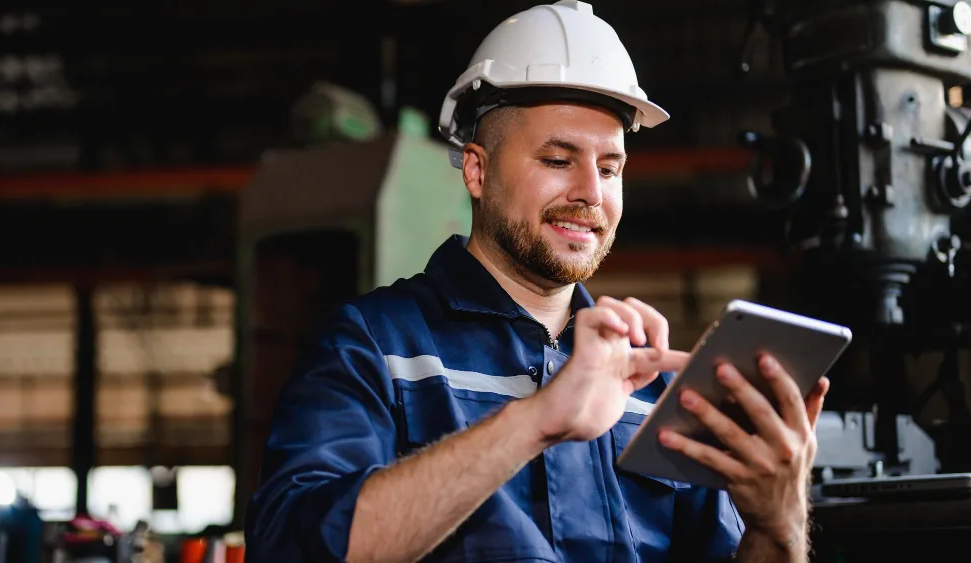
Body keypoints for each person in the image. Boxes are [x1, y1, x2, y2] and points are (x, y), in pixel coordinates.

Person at [244, 1, 830, 562]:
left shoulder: (652, 386)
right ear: (477, 170)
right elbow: (292, 547)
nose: (590, 194)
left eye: (609, 168)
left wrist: (777, 525)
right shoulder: (374, 347)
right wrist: (537, 419)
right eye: (557, 160)